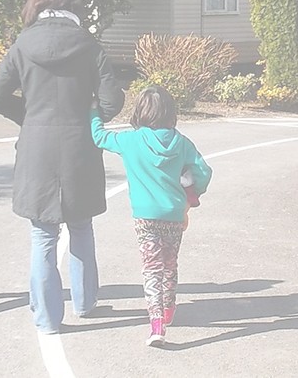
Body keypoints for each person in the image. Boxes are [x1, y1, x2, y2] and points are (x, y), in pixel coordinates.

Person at [0, 0, 124, 334]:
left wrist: (27, 115)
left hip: (37, 148)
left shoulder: (22, 44)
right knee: (81, 226)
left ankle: (46, 319)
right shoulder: (88, 45)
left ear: (36, 7)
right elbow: (112, 100)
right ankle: (85, 302)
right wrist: (90, 115)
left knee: (43, 235)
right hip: (79, 147)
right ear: (72, 7)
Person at [90, 85, 212, 347]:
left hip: (145, 216)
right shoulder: (182, 142)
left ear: (140, 111)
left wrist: (93, 112)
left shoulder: (130, 140)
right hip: (175, 213)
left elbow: (99, 137)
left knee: (151, 268)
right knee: (170, 263)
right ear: (170, 112)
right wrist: (192, 193)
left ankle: (156, 323)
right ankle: (168, 309)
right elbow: (204, 172)